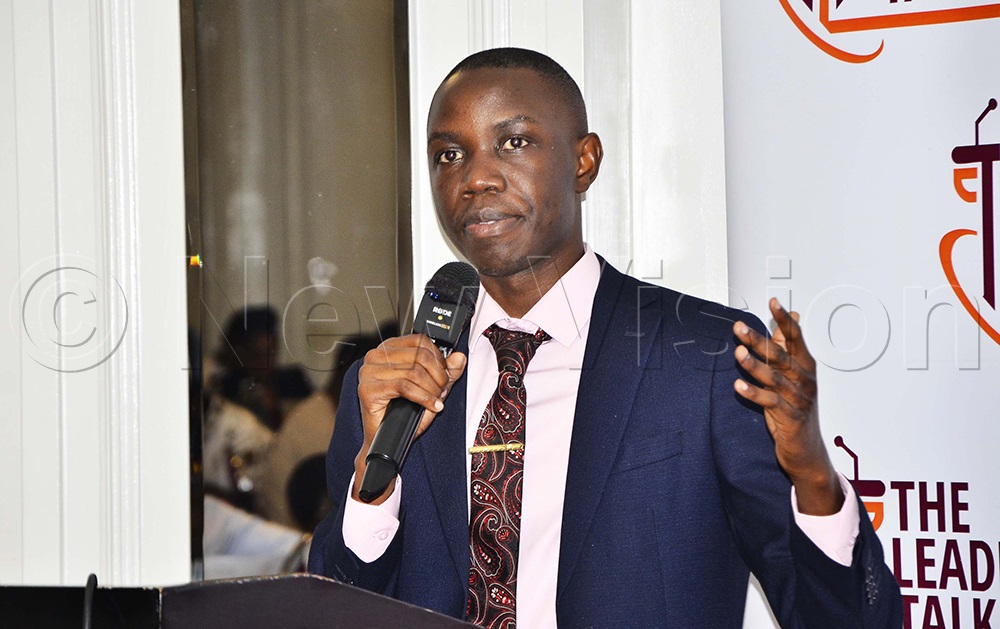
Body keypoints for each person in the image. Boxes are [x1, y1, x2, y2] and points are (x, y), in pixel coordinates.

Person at [309, 48, 902, 627]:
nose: (476, 178)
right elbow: (335, 607)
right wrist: (371, 487)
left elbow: (851, 618)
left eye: (512, 142)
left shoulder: (710, 360)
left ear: (584, 160)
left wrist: (812, 473)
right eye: (448, 154)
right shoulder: (390, 382)